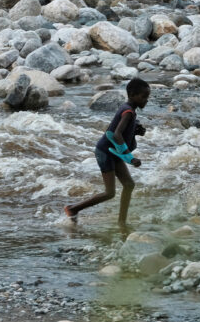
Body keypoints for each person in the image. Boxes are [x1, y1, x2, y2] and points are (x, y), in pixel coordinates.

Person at [64, 78, 150, 227]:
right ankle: (73, 209)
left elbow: (123, 132)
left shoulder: (129, 110)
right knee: (110, 193)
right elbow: (117, 134)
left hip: (114, 152)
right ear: (132, 95)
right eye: (143, 97)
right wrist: (130, 158)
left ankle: (121, 222)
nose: (146, 100)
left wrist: (136, 131)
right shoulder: (128, 111)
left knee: (129, 185)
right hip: (105, 152)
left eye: (147, 97)